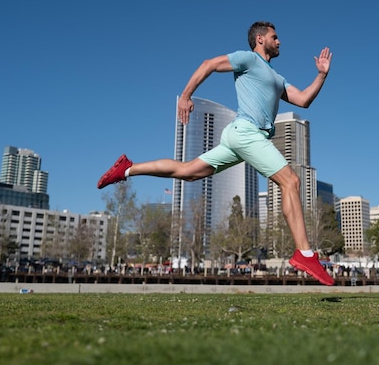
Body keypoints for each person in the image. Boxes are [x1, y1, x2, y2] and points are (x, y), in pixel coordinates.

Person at [97, 21, 334, 286]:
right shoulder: (248, 59)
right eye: (274, 37)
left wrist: (322, 75)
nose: (279, 42)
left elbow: (303, 100)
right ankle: (305, 254)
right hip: (247, 133)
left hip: (240, 137)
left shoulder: (277, 79)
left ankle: (127, 168)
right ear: (259, 39)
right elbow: (209, 64)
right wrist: (185, 96)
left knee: (188, 172)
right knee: (291, 181)